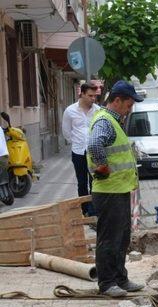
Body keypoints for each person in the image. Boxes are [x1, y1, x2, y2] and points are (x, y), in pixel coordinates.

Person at [87, 80, 145, 298]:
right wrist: (102, 165)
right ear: (117, 100)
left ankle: (121, 278)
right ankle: (107, 282)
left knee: (121, 237)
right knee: (109, 238)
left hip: (118, 189)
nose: (130, 109)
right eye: (128, 105)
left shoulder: (113, 120)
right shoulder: (104, 121)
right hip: (109, 190)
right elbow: (94, 144)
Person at [62, 83, 100, 216]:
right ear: (82, 94)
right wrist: (76, 142)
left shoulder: (98, 110)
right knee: (82, 182)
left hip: (94, 152)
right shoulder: (70, 111)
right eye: (90, 95)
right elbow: (66, 132)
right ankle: (85, 210)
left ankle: (94, 209)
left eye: (95, 96)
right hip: (78, 152)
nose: (93, 98)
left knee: (95, 181)